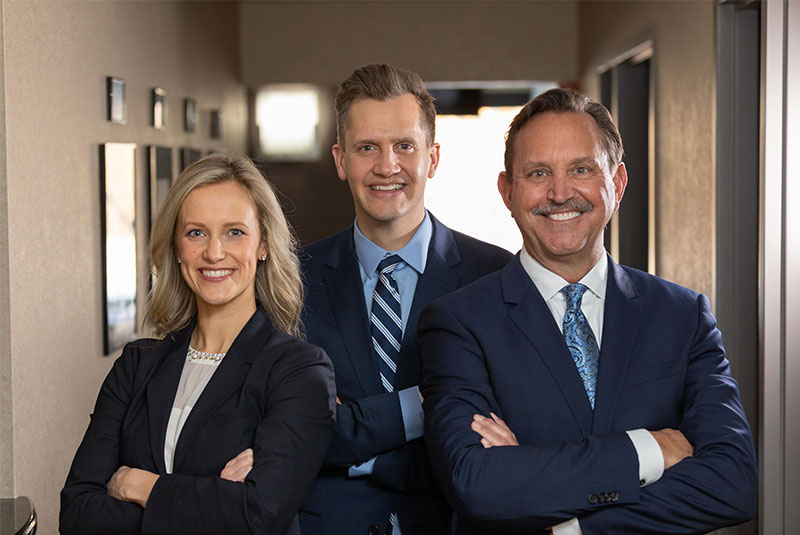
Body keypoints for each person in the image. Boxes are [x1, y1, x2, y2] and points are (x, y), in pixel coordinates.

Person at [418, 88, 757, 534]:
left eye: (581, 169)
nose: (560, 193)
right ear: (507, 191)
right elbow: (478, 484)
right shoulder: (459, 323)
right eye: (538, 173)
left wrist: (571, 524)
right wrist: (650, 451)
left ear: (615, 184)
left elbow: (732, 483)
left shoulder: (682, 316)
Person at [60, 153, 337, 535]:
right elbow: (77, 514)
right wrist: (213, 502)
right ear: (176, 248)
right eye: (196, 233)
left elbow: (258, 516)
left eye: (234, 232)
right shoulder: (136, 365)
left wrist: (143, 486)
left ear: (264, 244)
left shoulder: (299, 371)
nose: (214, 252)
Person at [299, 64, 513, 535]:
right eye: (366, 148)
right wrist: (438, 401)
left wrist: (348, 444)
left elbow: (502, 434)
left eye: (404, 146)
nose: (386, 166)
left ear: (432, 158)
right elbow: (290, 430)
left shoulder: (496, 276)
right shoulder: (291, 279)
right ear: (340, 160)